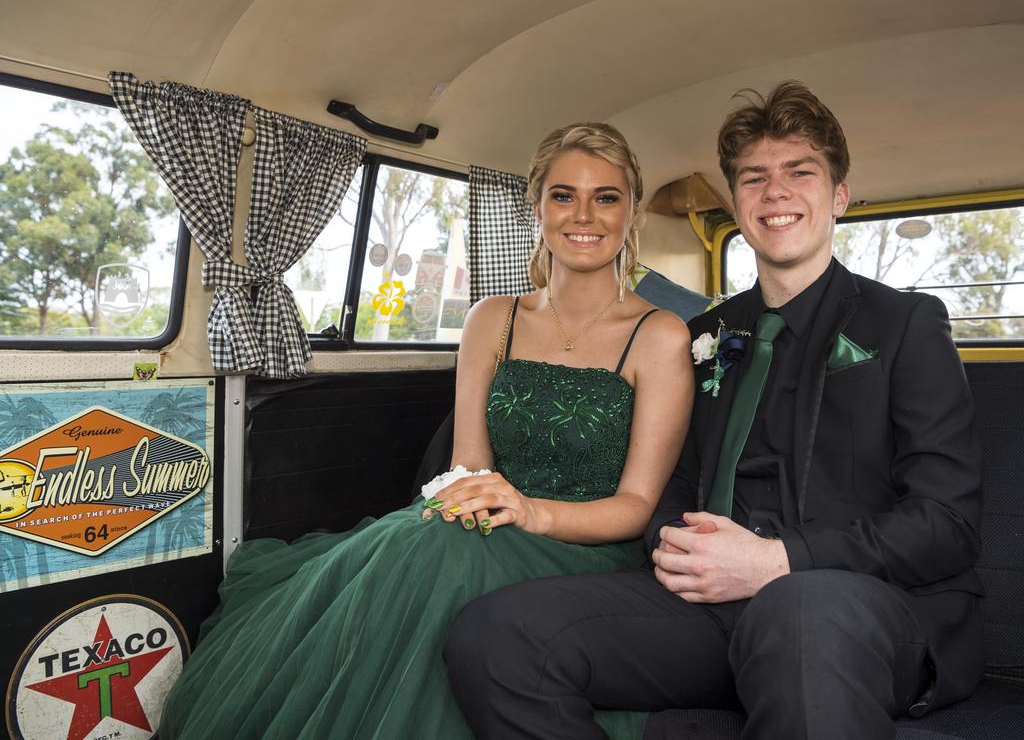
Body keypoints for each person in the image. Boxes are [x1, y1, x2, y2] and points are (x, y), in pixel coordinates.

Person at [446, 81, 984, 739]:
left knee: (800, 613)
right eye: (754, 178)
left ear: (839, 196)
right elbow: (672, 478)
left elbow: (947, 523)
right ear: (737, 203)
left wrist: (776, 560)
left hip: (857, 606)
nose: (775, 192)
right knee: (496, 636)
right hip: (709, 606)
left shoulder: (906, 323)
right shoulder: (709, 334)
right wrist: (674, 545)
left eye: (799, 173)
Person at [157, 122, 693, 739]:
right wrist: (473, 501)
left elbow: (634, 507)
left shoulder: (659, 335)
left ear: (632, 213)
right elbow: (468, 462)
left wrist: (530, 512)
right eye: (564, 195)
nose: (585, 215)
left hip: (589, 549)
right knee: (422, 541)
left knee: (441, 554)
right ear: (536, 207)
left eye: (607, 197)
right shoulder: (491, 319)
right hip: (483, 523)